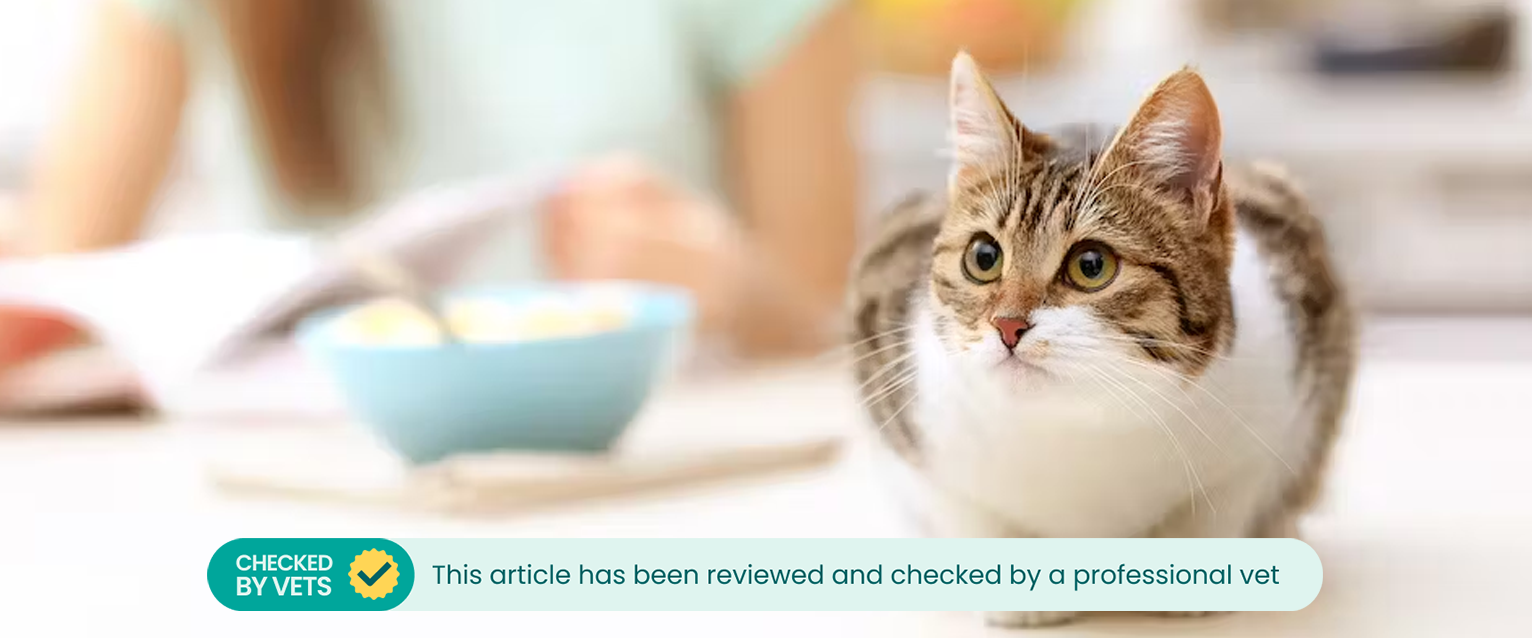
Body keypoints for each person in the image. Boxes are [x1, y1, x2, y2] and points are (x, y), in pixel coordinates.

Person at [2, 0, 858, 370]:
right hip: (278, 500)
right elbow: (59, 270)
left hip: (652, 485)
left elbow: (841, 325)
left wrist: (734, 281)